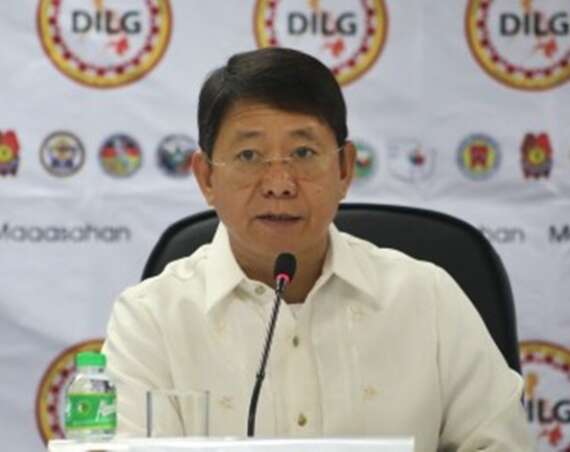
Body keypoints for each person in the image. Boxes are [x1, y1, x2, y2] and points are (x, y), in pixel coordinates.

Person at [102, 47, 533, 451]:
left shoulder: (427, 298)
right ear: (206, 177)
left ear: (344, 169)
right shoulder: (150, 319)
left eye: (304, 152)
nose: (279, 184)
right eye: (249, 155)